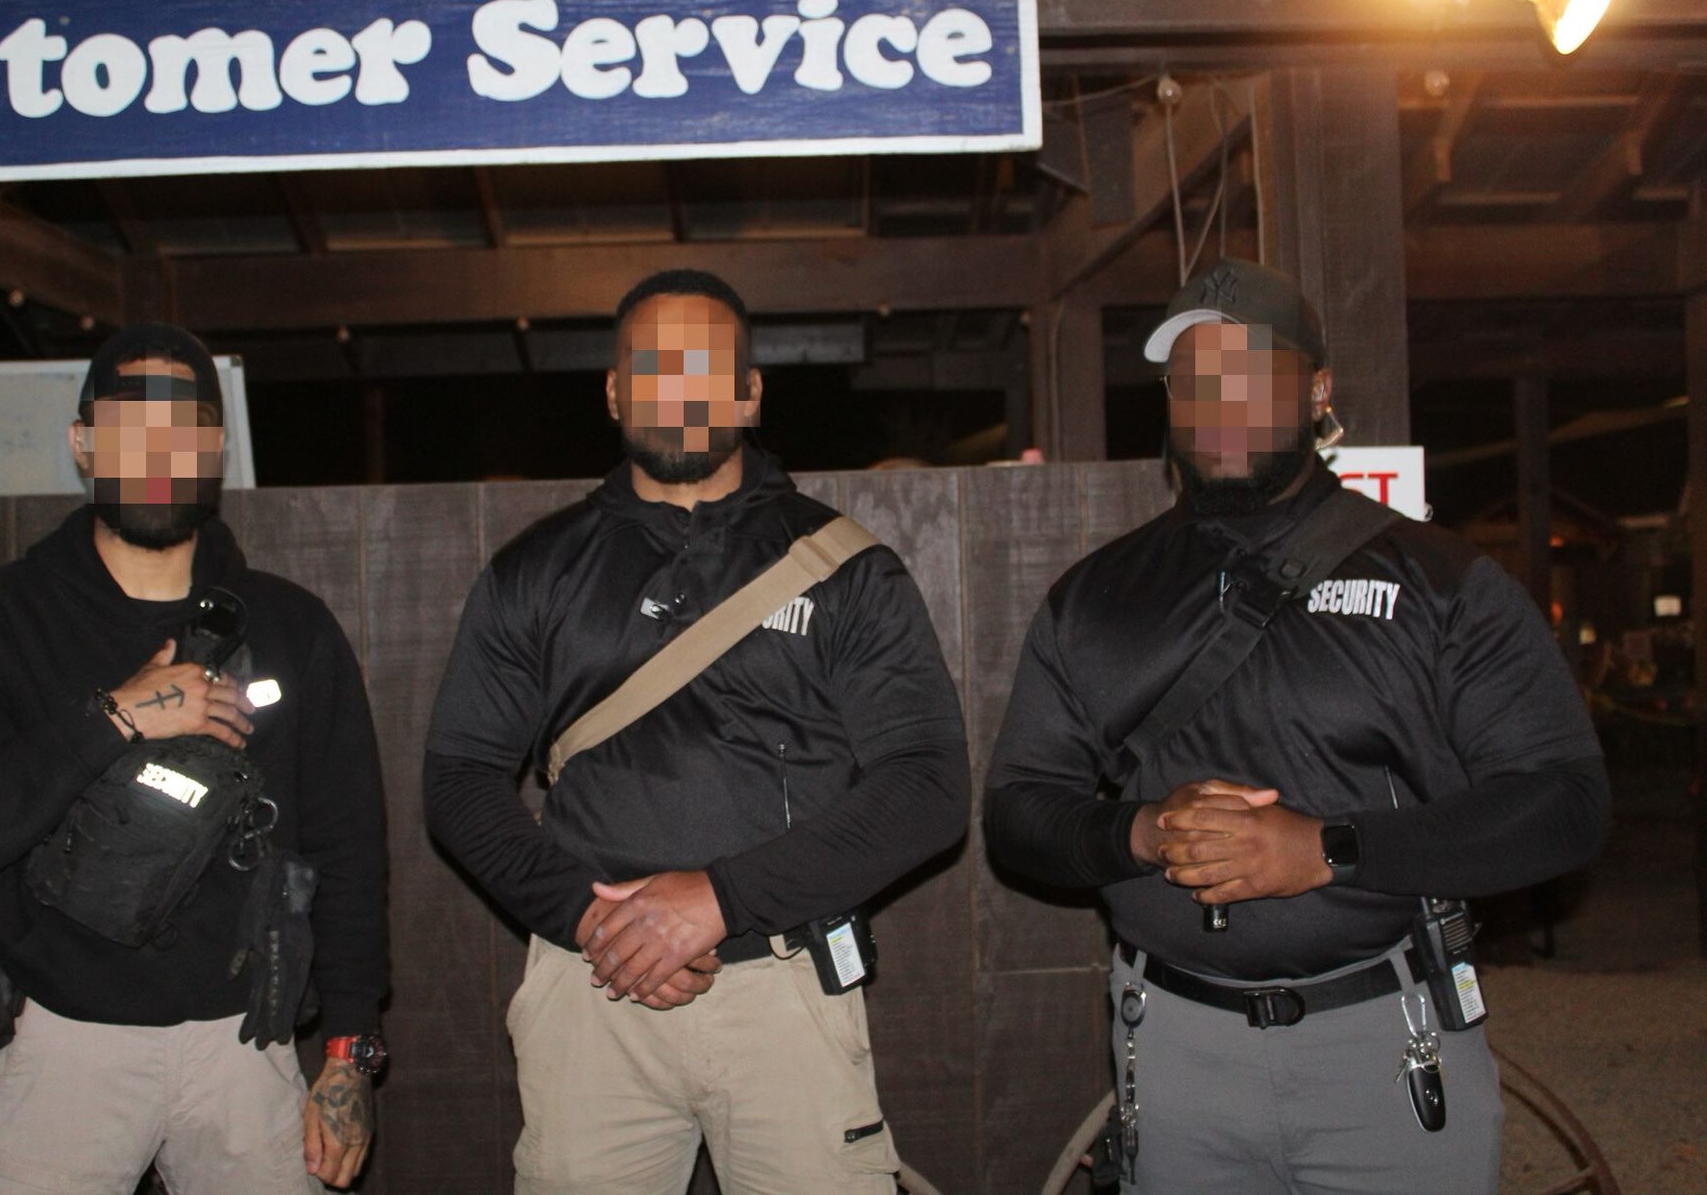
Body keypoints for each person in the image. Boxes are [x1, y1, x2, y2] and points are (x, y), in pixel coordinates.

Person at [983, 259, 1610, 1194]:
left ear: (1317, 389)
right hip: (1173, 1049)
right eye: (1195, 377)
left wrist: (1326, 848)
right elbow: (1017, 813)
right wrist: (1143, 832)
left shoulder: (1441, 582)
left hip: (1385, 1044)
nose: (1220, 398)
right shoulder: (1097, 597)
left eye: (1251, 368)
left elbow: (1566, 805)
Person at [424, 269, 969, 1195]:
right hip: (590, 986)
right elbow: (460, 779)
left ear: (750, 392)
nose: (675, 387)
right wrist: (588, 917)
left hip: (784, 983)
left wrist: (719, 898)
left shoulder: (846, 568)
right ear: (612, 390)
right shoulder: (536, 569)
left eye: (703, 366)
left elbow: (928, 786)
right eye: (650, 366)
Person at [0, 324, 389, 1194]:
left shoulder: (290, 627)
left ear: (216, 445)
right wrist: (114, 716)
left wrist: (348, 1049)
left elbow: (349, 846)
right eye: (130, 422)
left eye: (184, 424)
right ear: (84, 442)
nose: (159, 448)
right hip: (60, 1040)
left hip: (247, 1044)